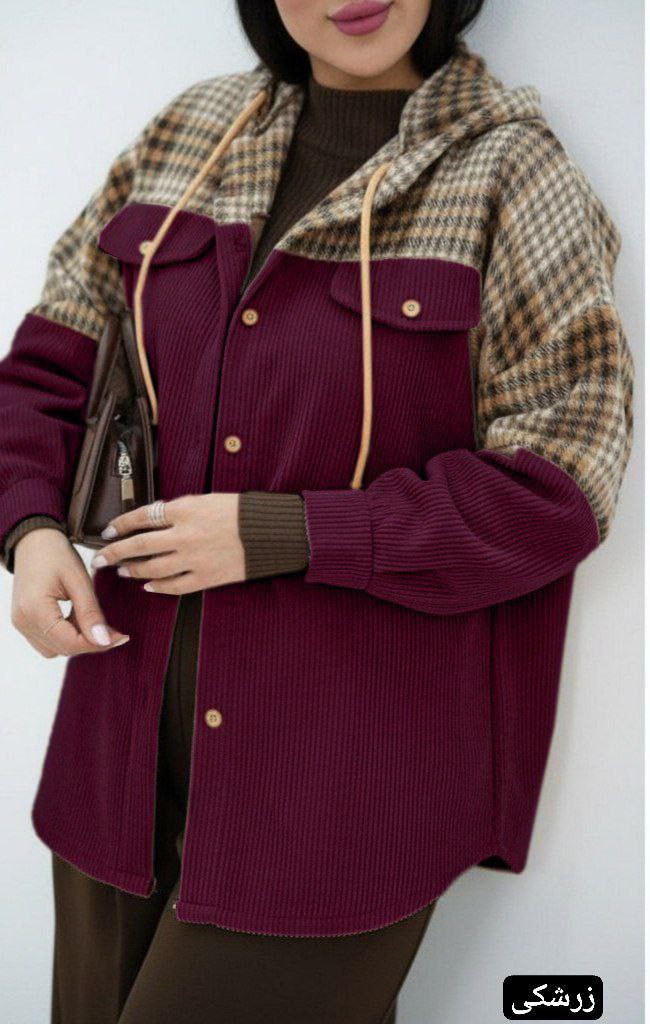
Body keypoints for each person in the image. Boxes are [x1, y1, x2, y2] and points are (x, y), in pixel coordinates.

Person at [0, 1, 634, 1021]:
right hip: (115, 765)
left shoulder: (512, 175)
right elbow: (47, 368)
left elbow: (559, 488)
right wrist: (30, 530)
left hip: (336, 803)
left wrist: (286, 533)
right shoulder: (187, 135)